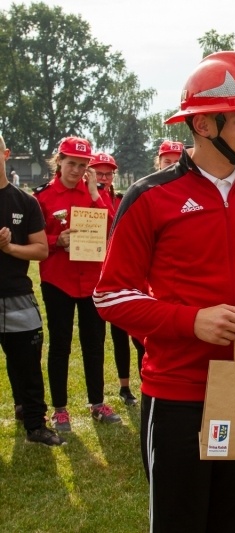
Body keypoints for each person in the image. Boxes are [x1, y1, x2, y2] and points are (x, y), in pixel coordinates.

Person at [93, 51, 235, 532]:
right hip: (176, 395)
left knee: (232, 522)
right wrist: (191, 321)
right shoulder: (148, 196)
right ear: (205, 125)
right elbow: (112, 295)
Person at [34, 137, 120, 431]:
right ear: (58, 161)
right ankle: (59, 409)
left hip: (92, 280)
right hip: (58, 280)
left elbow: (114, 228)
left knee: (94, 344)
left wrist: (96, 193)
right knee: (60, 345)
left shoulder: (95, 193)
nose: (75, 169)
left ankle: (97, 403)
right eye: (71, 162)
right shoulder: (43, 198)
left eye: (82, 165)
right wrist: (55, 241)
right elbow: (32, 241)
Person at [0, 134, 64, 446]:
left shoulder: (25, 202)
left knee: (27, 364)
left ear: (6, 154)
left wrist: (10, 247)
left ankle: (36, 426)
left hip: (17, 297)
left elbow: (40, 250)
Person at [88, 153, 139, 406]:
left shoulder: (118, 199)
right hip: (90, 273)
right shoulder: (85, 199)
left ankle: (126, 387)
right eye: (99, 173)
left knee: (124, 334)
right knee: (96, 339)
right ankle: (109, 391)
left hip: (119, 273)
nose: (104, 178)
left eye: (108, 174)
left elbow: (114, 223)